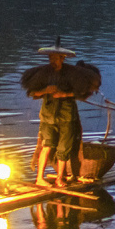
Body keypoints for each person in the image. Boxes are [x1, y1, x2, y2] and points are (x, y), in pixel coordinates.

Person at [24, 42, 84, 188]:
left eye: (56, 58)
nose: (53, 61)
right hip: (48, 117)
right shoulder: (43, 74)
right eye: (51, 58)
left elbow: (80, 92)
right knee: (47, 146)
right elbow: (32, 93)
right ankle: (39, 178)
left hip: (66, 117)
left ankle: (59, 178)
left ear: (62, 58)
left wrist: (65, 94)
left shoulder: (72, 75)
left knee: (64, 148)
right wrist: (45, 90)